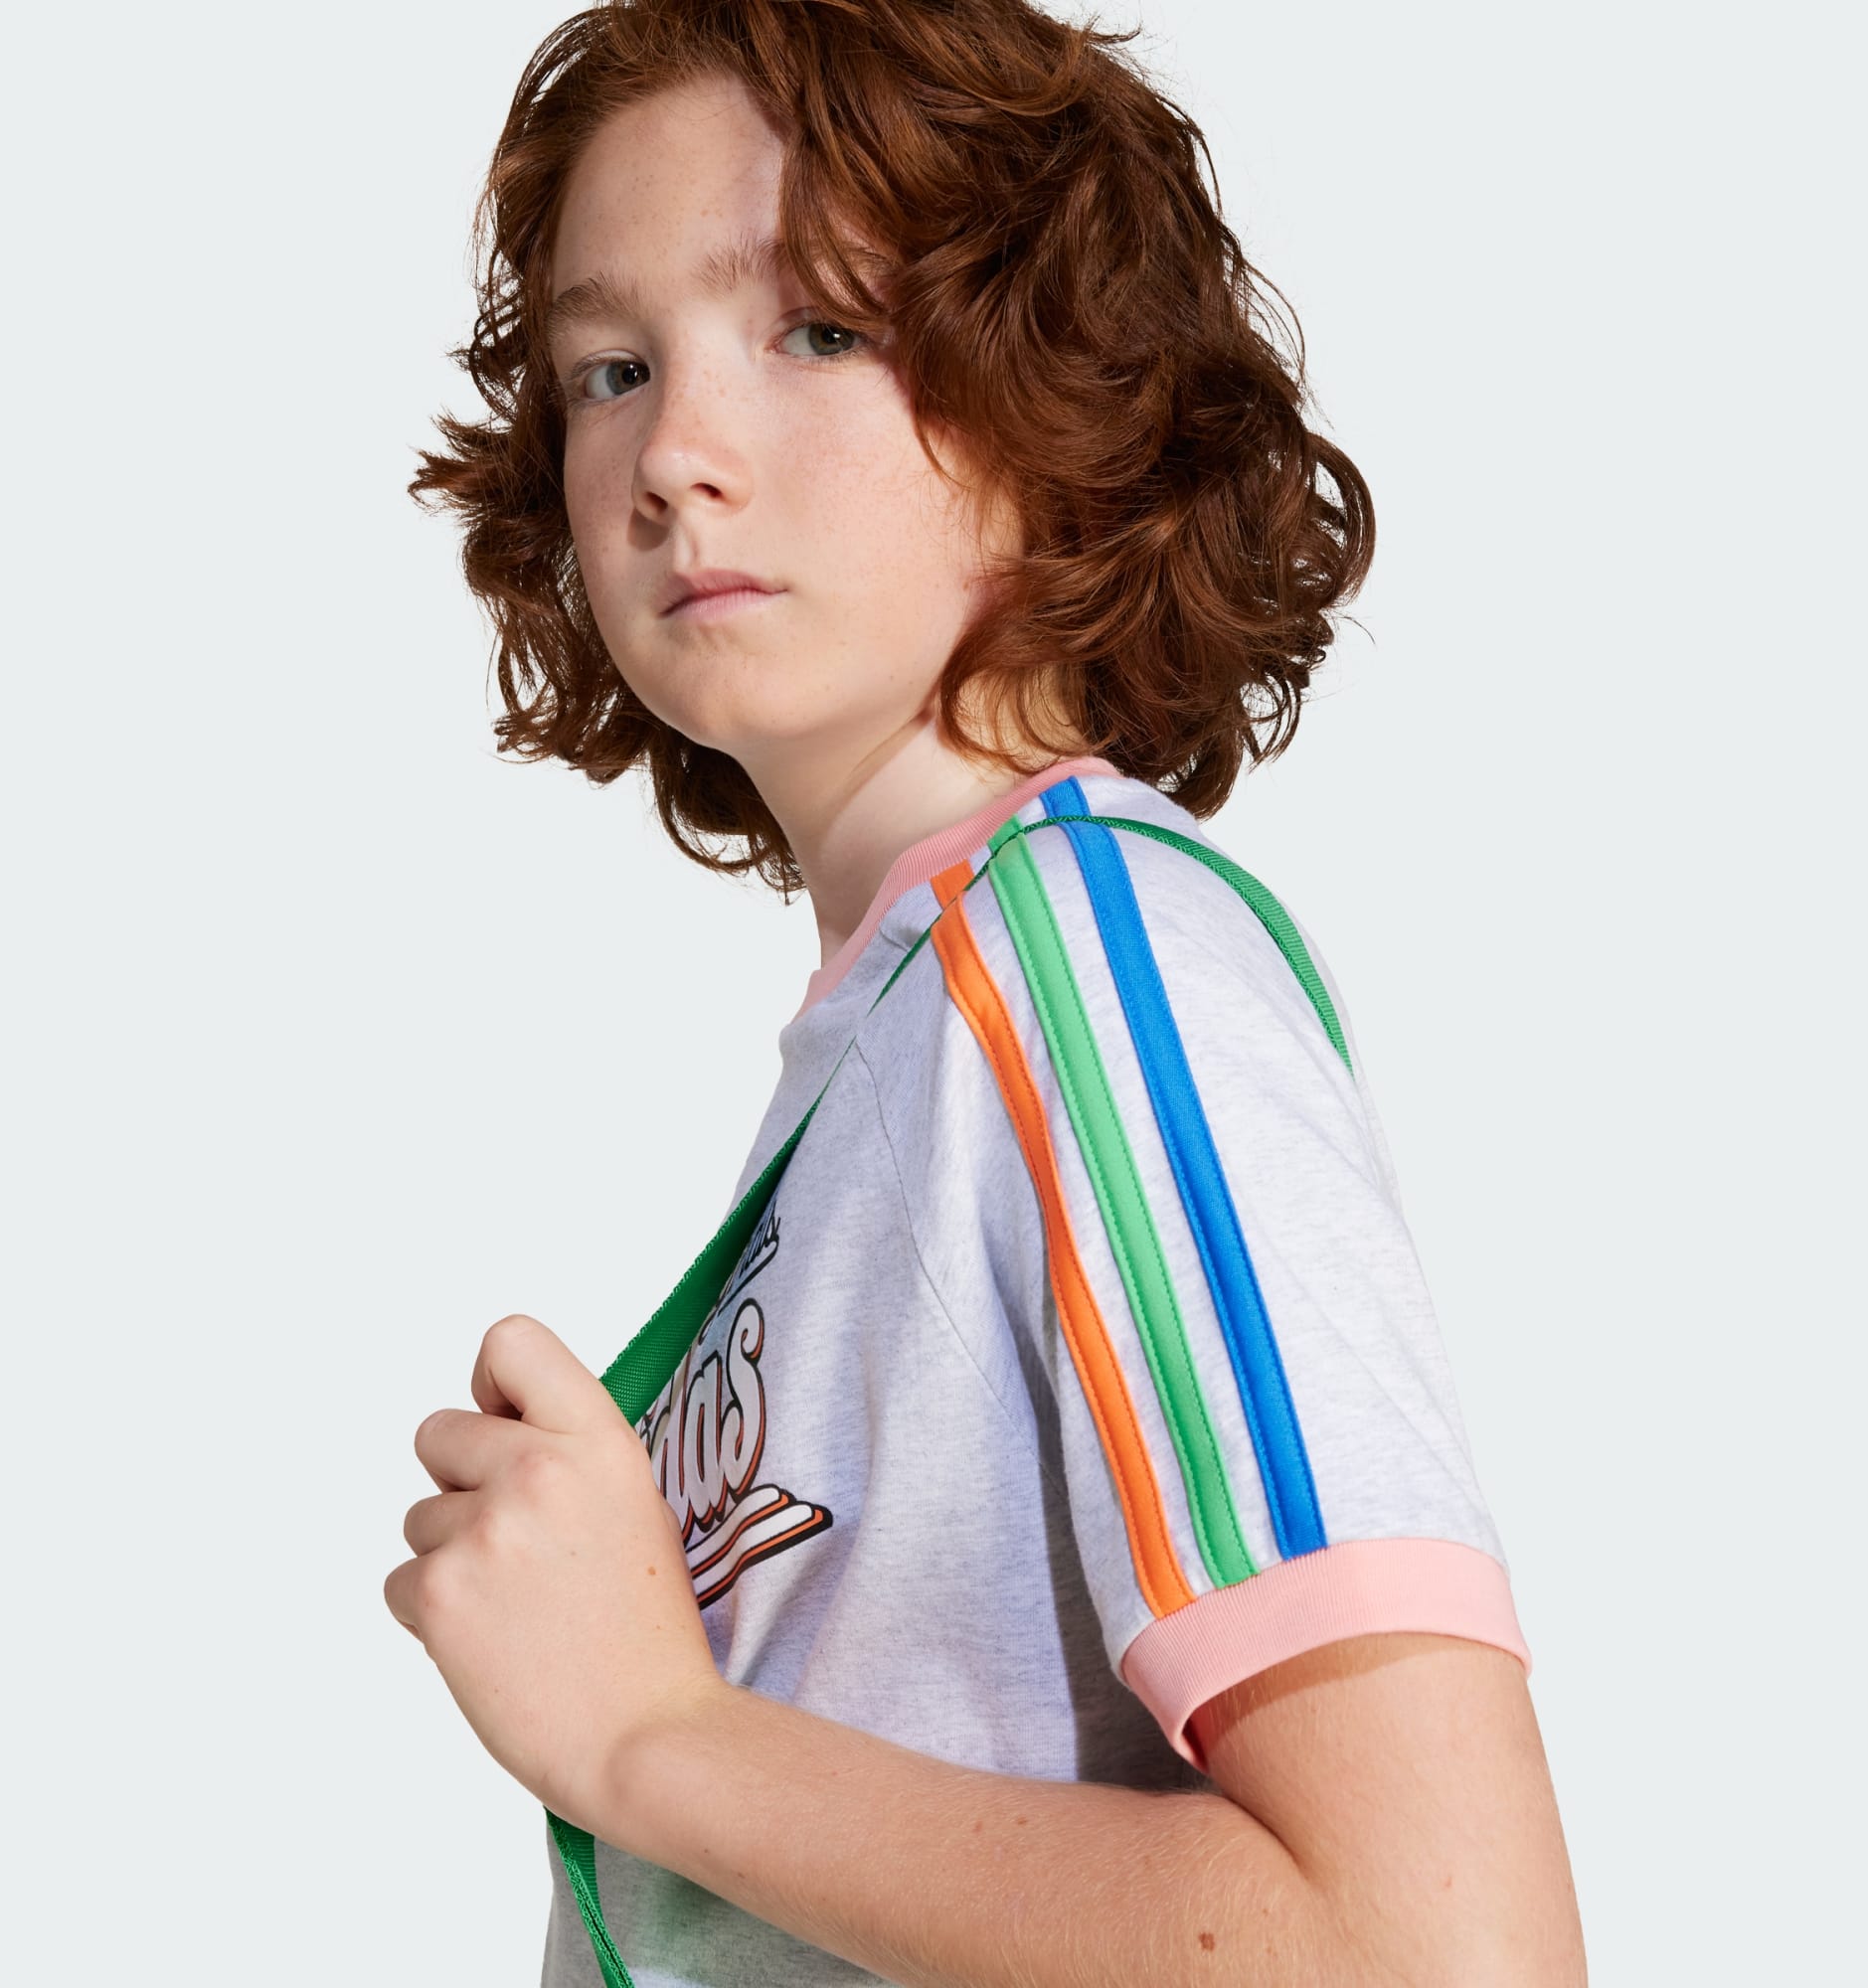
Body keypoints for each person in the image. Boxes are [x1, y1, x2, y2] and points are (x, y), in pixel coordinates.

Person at [387, 3, 1588, 1982]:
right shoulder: (919, 1020)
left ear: (1061, 389)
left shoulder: (1088, 973)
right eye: (612, 369)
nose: (672, 455)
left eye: (819, 329)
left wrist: (650, 1737)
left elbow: (1434, 1950)